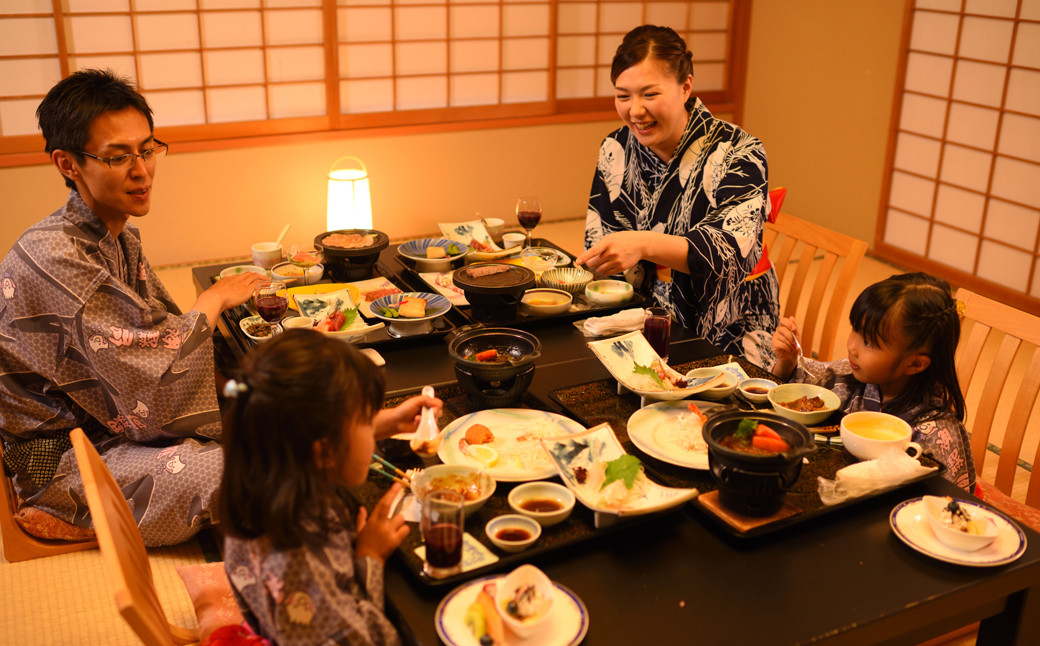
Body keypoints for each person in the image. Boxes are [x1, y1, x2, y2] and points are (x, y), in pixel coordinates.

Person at [0, 69, 264, 545]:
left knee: (263, 408)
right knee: (244, 469)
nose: (141, 170)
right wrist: (213, 299)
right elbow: (154, 388)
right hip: (67, 457)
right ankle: (70, 514)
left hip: (108, 421)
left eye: (147, 149)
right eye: (118, 157)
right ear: (68, 164)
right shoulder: (56, 257)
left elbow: (153, 334)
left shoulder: (108, 235)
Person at [219, 330, 441, 645]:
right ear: (324, 452)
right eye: (366, 420)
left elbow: (304, 435)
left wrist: (388, 422)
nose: (372, 426)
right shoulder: (299, 562)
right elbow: (366, 641)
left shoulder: (262, 473)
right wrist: (369, 559)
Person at [576, 25, 779, 366]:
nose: (635, 111)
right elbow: (604, 244)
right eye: (623, 96)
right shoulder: (617, 147)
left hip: (727, 324)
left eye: (649, 95)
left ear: (685, 87)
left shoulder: (739, 151)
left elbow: (726, 252)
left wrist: (642, 244)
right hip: (640, 315)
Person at [772, 273, 975, 491]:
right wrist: (788, 361)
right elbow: (797, 386)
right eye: (855, 330)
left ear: (915, 364)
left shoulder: (935, 435)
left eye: (868, 342)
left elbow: (942, 503)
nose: (852, 347)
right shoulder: (849, 376)